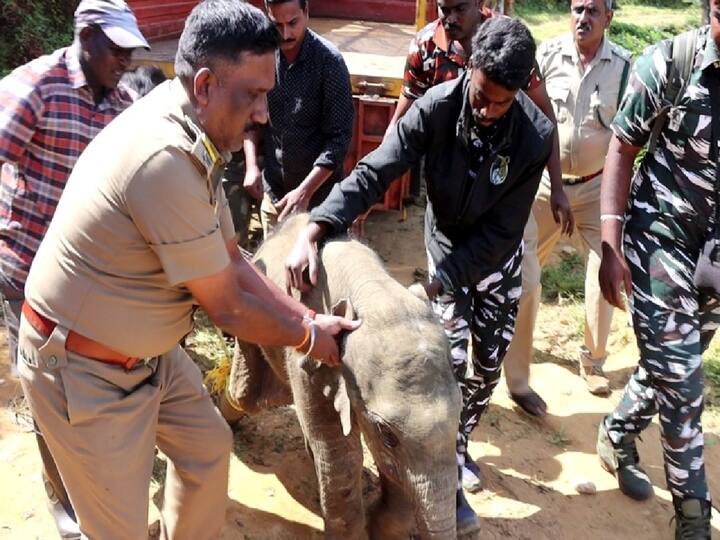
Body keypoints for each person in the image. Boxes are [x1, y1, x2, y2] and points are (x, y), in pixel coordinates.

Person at [15, 1, 359, 537]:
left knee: (206, 447)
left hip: (146, 354)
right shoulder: (164, 159)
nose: (264, 113)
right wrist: (311, 340)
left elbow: (229, 260)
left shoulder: (193, 132)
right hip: (83, 368)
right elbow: (228, 305)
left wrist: (311, 323)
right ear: (204, 84)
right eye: (253, 94)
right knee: (120, 528)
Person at [285, 16, 553, 534]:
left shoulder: (534, 137)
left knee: (486, 368)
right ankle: (445, 482)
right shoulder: (436, 108)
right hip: (445, 241)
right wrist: (317, 225)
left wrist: (432, 284)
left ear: (520, 93)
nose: (487, 110)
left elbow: (501, 234)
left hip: (498, 258)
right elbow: (375, 170)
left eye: (501, 102)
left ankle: (458, 442)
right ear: (470, 68)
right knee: (443, 363)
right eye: (481, 95)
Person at [0, 1, 148, 536]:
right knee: (48, 394)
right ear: (85, 37)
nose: (124, 62)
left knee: (91, 386)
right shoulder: (35, 87)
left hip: (90, 279)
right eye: (115, 50)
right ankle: (66, 507)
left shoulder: (124, 105)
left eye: (129, 52)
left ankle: (101, 485)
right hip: (26, 268)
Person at [596, 1, 720, 535]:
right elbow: (623, 148)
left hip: (714, 258)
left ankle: (617, 433)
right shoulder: (671, 62)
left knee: (676, 362)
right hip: (659, 238)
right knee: (684, 385)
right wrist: (610, 245)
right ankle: (693, 517)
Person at [503, 0, 631, 415]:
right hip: (545, 185)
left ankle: (593, 360)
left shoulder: (624, 67)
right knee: (525, 270)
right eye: (578, 8)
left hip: (596, 190)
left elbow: (628, 134)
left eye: (594, 10)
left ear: (609, 18)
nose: (583, 18)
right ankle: (514, 356)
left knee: (604, 267)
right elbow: (524, 113)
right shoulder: (547, 55)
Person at [243, 0, 353, 238]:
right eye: (277, 25)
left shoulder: (329, 63)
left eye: (293, 23)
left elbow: (339, 140)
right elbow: (251, 119)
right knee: (273, 271)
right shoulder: (263, 57)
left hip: (320, 205)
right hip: (275, 199)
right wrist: (252, 166)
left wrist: (305, 192)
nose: (285, 33)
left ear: (306, 12)